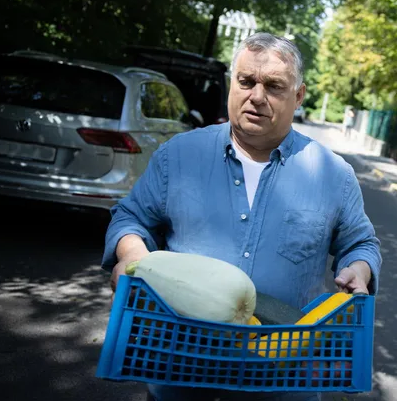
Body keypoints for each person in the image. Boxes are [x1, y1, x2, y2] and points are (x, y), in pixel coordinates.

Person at [101, 32, 382, 401]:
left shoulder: (333, 174)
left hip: (282, 382)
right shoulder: (180, 155)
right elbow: (130, 217)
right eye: (246, 81)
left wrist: (359, 270)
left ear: (299, 96)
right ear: (232, 83)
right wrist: (132, 257)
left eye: (274, 86)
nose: (257, 96)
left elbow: (360, 243)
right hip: (178, 369)